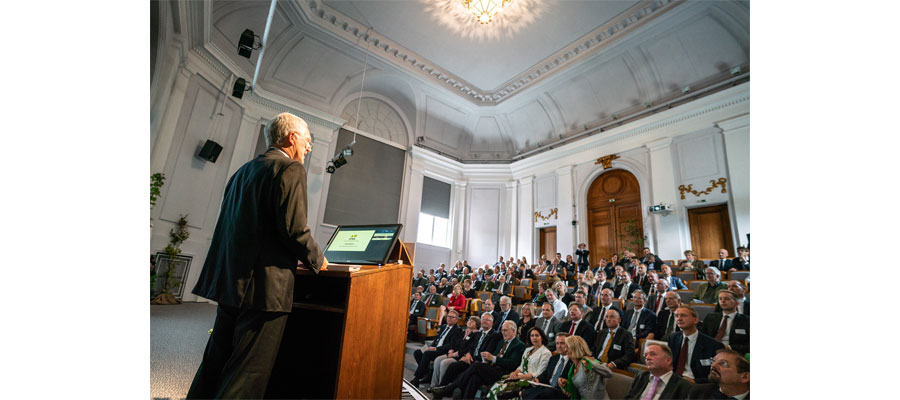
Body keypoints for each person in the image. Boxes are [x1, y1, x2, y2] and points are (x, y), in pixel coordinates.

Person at [187, 112, 326, 399]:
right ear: (291, 138)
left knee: (215, 362)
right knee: (246, 373)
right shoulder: (289, 168)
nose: (309, 147)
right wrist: (318, 259)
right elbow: (294, 229)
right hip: (263, 292)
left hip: (231, 285)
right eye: (307, 140)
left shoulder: (244, 171)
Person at [432, 321, 527, 399]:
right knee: (474, 378)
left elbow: (512, 364)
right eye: (502, 330)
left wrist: (493, 358)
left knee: (476, 365)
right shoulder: (502, 341)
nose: (503, 332)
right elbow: (494, 355)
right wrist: (488, 359)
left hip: (503, 373)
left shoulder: (519, 345)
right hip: (492, 369)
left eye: (505, 330)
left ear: (514, 331)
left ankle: (450, 387)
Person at [487, 327, 553, 400]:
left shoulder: (546, 353)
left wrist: (519, 377)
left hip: (531, 381)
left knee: (506, 391)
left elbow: (539, 373)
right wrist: (514, 373)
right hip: (519, 377)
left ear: (542, 337)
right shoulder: (528, 350)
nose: (534, 338)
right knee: (498, 386)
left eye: (537, 335)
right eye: (532, 335)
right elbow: (521, 366)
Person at [668, 306, 725, 383]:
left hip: (697, 383)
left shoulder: (713, 344)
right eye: (676, 316)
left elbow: (717, 376)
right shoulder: (673, 338)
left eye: (683, 315)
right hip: (674, 379)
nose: (679, 319)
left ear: (695, 320)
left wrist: (695, 381)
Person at [410, 310, 463, 387]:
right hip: (435, 348)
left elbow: (451, 345)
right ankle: (427, 374)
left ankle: (417, 378)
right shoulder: (444, 326)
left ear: (456, 319)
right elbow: (437, 339)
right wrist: (431, 346)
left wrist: (435, 349)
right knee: (417, 352)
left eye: (452, 317)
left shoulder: (457, 330)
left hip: (443, 351)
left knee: (427, 354)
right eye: (448, 316)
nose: (449, 318)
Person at [624, 343, 692, 400]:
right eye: (645, 356)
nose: (647, 358)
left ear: (668, 360)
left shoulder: (683, 385)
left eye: (652, 354)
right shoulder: (642, 376)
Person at [431, 315, 483, 388]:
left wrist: (454, 354)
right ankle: (433, 385)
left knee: (444, 363)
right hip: (453, 353)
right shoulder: (463, 332)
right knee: (438, 359)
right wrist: (451, 350)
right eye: (469, 320)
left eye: (473, 321)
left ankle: (441, 386)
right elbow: (454, 342)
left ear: (477, 324)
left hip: (460, 356)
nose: (470, 321)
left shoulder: (476, 334)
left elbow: (469, 348)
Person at [558, 335, 612, 400]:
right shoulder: (573, 366)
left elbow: (608, 372)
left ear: (575, 348)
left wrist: (591, 365)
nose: (565, 349)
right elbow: (575, 391)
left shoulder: (587, 360)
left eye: (567, 347)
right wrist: (565, 384)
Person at [520, 333, 572, 400]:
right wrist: (538, 379)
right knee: (527, 386)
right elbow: (546, 373)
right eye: (557, 343)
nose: (559, 346)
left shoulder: (573, 360)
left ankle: (520, 394)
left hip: (560, 391)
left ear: (569, 344)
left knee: (542, 393)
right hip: (548, 387)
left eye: (562, 343)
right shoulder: (554, 358)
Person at [700, 290, 750, 356]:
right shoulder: (710, 317)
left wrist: (730, 347)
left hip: (733, 352)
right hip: (712, 350)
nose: (722, 301)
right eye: (720, 299)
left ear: (736, 303)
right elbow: (702, 337)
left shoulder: (746, 320)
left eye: (727, 299)